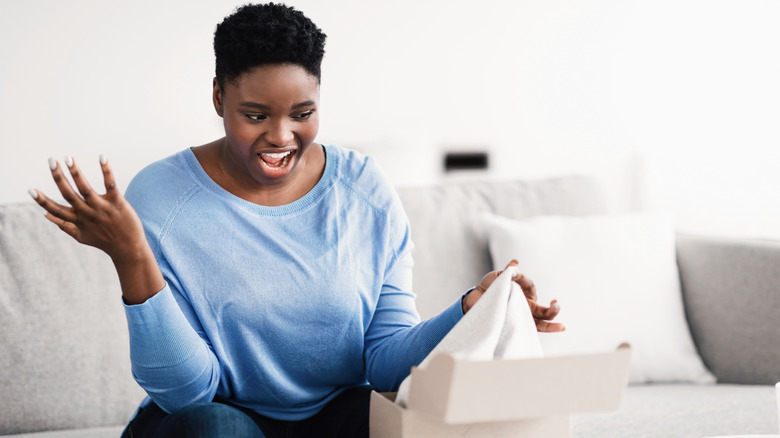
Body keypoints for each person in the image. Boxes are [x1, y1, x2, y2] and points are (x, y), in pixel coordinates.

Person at [29, 3, 564, 438]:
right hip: (211, 424)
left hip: (334, 420)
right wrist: (132, 258)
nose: (281, 137)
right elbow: (187, 395)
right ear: (219, 97)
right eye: (256, 115)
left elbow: (382, 363)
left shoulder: (365, 193)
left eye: (302, 114)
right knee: (214, 429)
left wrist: (472, 307)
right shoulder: (162, 197)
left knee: (406, 420)